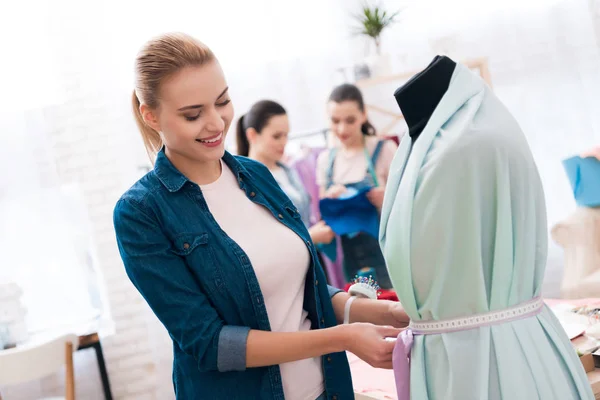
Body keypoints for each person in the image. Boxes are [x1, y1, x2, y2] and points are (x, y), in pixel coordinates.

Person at [113, 32, 408, 400]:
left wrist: (380, 311)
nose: (216, 123)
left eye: (223, 101)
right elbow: (213, 344)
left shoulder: (256, 175)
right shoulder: (141, 213)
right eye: (193, 114)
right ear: (150, 115)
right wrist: (343, 338)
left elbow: (300, 291)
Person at [316, 84, 397, 289]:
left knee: (396, 311)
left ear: (363, 115)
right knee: (366, 310)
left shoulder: (385, 149)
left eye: (350, 120)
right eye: (335, 121)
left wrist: (388, 198)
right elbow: (325, 223)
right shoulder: (326, 161)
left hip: (390, 256)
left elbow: (411, 202)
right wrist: (333, 201)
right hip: (352, 263)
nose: (342, 129)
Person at [236, 100, 335, 246]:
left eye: (286, 135)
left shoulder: (289, 171)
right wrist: (311, 236)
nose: (284, 142)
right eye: (276, 136)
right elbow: (262, 241)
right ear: (252, 135)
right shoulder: (246, 182)